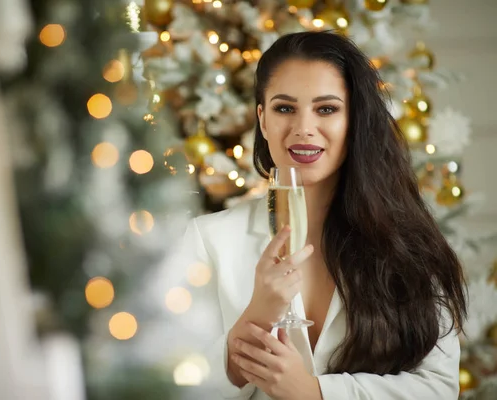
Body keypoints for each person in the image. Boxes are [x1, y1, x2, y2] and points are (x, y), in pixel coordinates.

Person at [182, 31, 467, 400]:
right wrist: (256, 315)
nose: (303, 128)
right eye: (284, 108)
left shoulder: (408, 242)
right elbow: (166, 385)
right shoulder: (207, 240)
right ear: (263, 120)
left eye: (327, 109)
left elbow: (438, 388)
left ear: (354, 120)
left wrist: (316, 393)